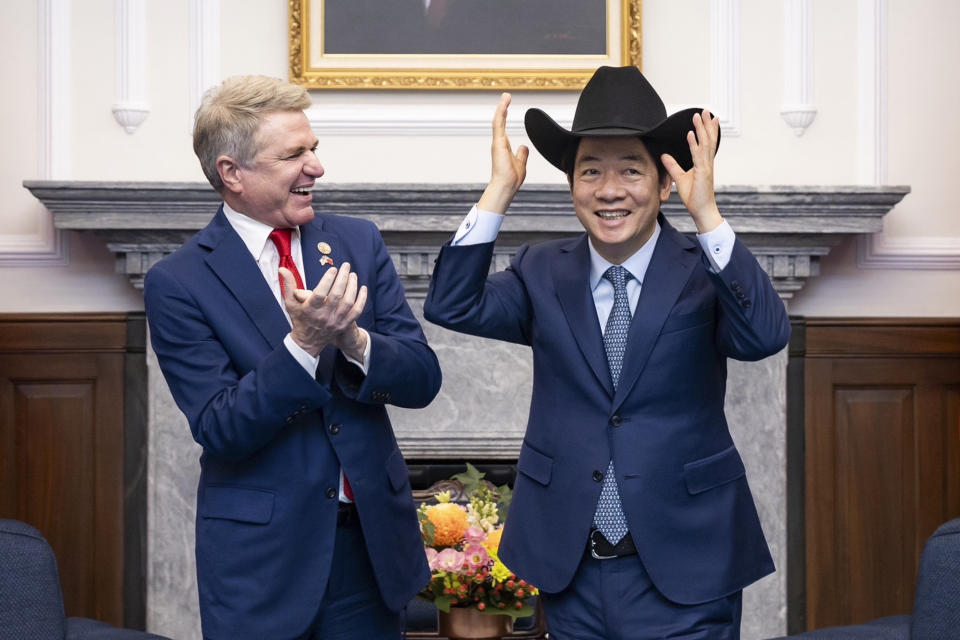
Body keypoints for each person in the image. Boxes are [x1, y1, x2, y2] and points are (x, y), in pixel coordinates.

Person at [423, 65, 791, 639]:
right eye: (590, 170)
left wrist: (708, 216)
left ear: (666, 183)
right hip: (572, 568)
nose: (610, 189)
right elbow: (451, 305)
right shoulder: (541, 270)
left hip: (687, 564)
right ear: (572, 185)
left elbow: (766, 336)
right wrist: (499, 192)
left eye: (630, 170)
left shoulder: (704, 269)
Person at [144, 75, 441, 640]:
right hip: (263, 566)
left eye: (314, 149)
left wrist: (354, 342)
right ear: (232, 173)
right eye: (293, 155)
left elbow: (423, 379)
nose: (316, 168)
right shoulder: (179, 282)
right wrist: (303, 344)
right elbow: (221, 426)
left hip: (368, 553)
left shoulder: (357, 242)